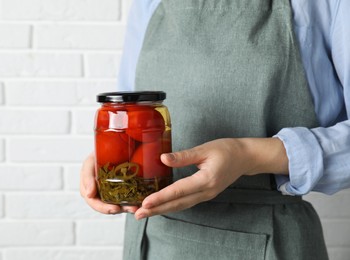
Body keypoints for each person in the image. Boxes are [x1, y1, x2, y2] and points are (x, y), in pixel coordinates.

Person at [80, 0, 350, 259]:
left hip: (266, 241)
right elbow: (130, 111)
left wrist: (247, 154)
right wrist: (111, 161)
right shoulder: (148, 3)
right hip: (152, 238)